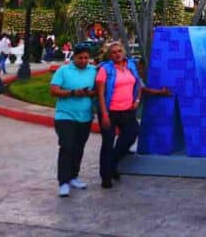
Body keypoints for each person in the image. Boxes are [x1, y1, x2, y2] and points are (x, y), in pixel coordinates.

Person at [49, 44, 97, 197]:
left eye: (86, 58)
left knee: (78, 147)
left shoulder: (93, 71)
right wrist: (72, 93)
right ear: (74, 57)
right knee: (67, 147)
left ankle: (73, 177)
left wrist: (91, 93)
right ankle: (63, 181)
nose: (83, 61)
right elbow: (54, 90)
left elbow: (100, 88)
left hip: (85, 116)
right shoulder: (64, 70)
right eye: (80, 58)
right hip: (65, 116)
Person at [96, 42, 142, 188]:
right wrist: (104, 114)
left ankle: (112, 164)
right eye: (114, 52)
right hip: (110, 111)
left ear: (124, 51)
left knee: (131, 135)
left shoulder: (131, 66)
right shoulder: (105, 69)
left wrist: (137, 100)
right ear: (110, 55)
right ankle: (106, 176)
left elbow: (139, 84)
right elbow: (101, 94)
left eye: (120, 51)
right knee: (107, 144)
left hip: (127, 110)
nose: (117, 54)